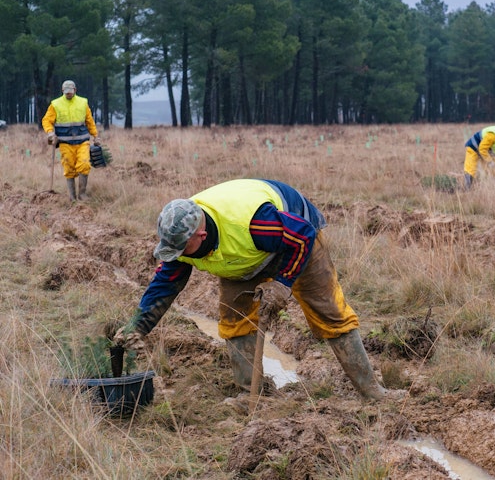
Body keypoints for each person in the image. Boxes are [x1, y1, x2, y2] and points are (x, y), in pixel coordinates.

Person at [114, 179, 388, 400]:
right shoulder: (181, 240)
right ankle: (251, 393)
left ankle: (372, 391)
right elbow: (164, 285)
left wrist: (282, 283)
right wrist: (137, 326)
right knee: (235, 319)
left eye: (181, 249)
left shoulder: (255, 223)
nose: (175, 255)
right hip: (241, 259)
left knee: (330, 313)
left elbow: (302, 235)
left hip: (296, 240)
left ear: (201, 235)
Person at [41, 80, 99, 202]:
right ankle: (72, 198)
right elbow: (46, 120)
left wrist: (95, 135)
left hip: (82, 141)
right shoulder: (55, 104)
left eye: (70, 92)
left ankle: (82, 195)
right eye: (66, 92)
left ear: (75, 90)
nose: (69, 94)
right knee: (69, 168)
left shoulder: (83, 102)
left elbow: (89, 121)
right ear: (62, 91)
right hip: (65, 142)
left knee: (84, 164)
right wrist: (50, 132)